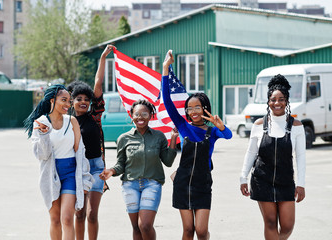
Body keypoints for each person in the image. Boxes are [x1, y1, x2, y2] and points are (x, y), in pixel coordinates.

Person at [162, 51, 232, 240]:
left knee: (201, 231)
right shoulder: (183, 127)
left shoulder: (212, 131)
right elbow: (167, 101)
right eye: (189, 108)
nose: (193, 111)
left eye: (197, 107)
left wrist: (221, 125)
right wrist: (165, 69)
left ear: (205, 109)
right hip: (182, 184)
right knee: (187, 230)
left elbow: (229, 135)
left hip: (203, 184)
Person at [99, 99, 179, 240]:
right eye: (137, 114)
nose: (140, 117)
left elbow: (168, 161)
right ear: (131, 115)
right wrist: (111, 171)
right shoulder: (123, 139)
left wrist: (173, 139)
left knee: (145, 225)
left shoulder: (158, 136)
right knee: (136, 227)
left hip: (152, 184)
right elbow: (121, 164)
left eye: (144, 114)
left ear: (151, 116)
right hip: (130, 185)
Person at [240, 74, 306, 240]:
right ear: (268, 101)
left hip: (285, 182)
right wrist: (243, 177)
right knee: (270, 223)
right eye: (273, 99)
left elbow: (300, 157)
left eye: (281, 99)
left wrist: (301, 184)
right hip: (262, 181)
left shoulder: (296, 126)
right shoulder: (259, 125)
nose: (277, 103)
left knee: (287, 226)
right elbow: (251, 153)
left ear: (287, 101)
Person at [24, 84, 93, 240]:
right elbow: (42, 155)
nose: (68, 105)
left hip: (70, 173)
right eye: (64, 100)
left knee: (67, 218)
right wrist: (44, 136)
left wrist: (85, 179)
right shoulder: (41, 122)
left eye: (69, 101)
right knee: (55, 220)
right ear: (52, 101)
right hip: (50, 174)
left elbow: (80, 153)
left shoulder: (72, 121)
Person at [67, 45, 114, 240]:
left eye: (86, 98)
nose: (83, 101)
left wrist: (103, 58)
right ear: (71, 101)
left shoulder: (95, 116)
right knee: (79, 213)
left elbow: (98, 84)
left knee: (92, 213)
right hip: (77, 168)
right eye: (78, 99)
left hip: (96, 167)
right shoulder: (66, 122)